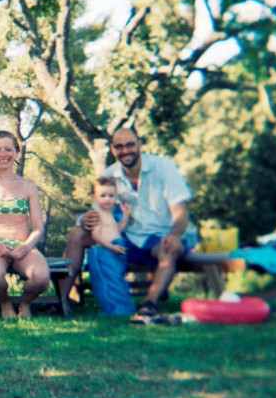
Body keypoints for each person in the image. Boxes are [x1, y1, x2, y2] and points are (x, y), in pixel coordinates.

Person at [64, 126, 198, 321]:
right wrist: (85, 220)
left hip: (161, 235)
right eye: (119, 147)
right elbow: (98, 212)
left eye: (130, 145)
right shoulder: (110, 175)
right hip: (128, 237)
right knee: (77, 233)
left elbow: (180, 212)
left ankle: (148, 304)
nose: (125, 151)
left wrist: (174, 234)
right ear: (113, 149)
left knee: (169, 248)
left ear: (139, 144)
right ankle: (63, 301)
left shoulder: (163, 167)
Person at [0, 131, 51, 320]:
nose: (2, 154)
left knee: (42, 277)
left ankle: (24, 303)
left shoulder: (28, 186)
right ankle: (5, 303)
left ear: (16, 152)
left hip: (22, 245)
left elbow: (38, 227)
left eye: (8, 149)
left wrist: (26, 246)